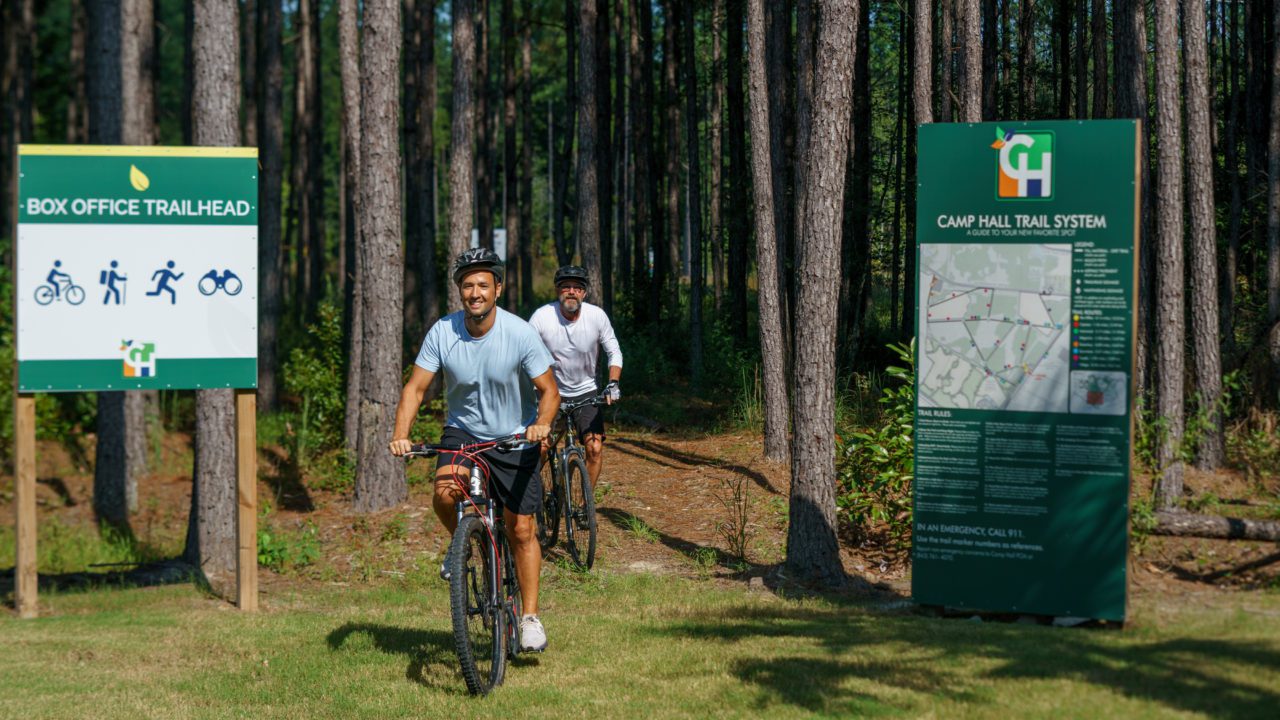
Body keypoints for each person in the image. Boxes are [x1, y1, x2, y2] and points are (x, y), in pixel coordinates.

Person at [388, 247, 560, 653]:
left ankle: (530, 617)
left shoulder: (519, 332)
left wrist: (542, 424)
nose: (475, 292)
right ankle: (461, 544)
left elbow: (549, 390)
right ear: (460, 292)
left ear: (497, 288)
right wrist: (401, 433)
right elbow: (415, 389)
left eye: (483, 284)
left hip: (515, 436)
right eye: (468, 285)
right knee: (444, 495)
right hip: (462, 432)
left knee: (521, 529)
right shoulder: (443, 332)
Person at [527, 265, 623, 490]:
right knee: (541, 447)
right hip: (550, 392)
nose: (571, 291)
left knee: (594, 448)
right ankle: (530, 497)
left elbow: (614, 351)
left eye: (577, 288)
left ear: (584, 293)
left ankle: (584, 503)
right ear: (557, 291)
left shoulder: (596, 316)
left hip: (586, 391)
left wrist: (613, 384)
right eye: (565, 287)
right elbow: (525, 353)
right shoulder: (542, 317)